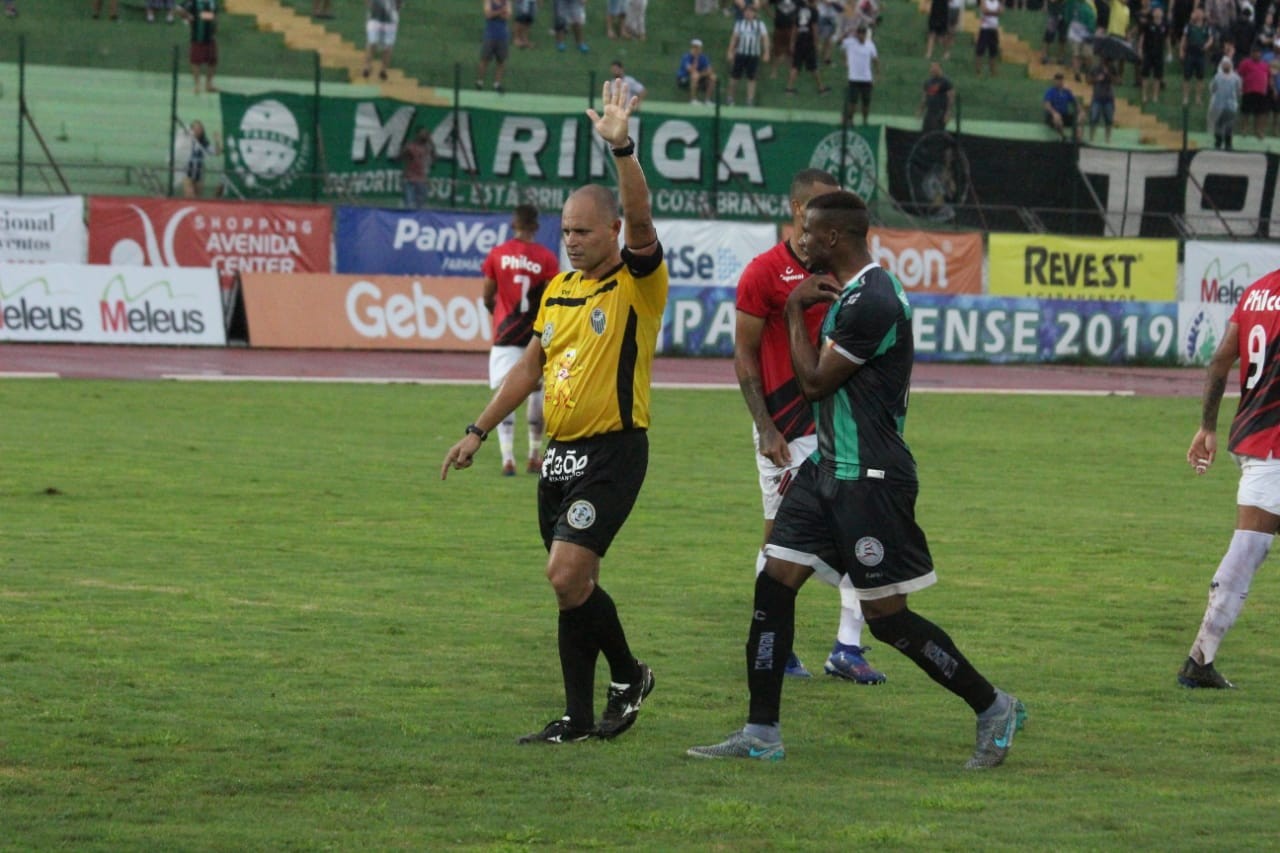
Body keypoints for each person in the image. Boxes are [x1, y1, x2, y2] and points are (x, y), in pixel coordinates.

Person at [687, 190, 1025, 766]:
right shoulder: (853, 293)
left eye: (812, 233)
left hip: (870, 478)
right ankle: (761, 733)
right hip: (827, 469)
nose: (803, 240)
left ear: (836, 238)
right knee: (773, 584)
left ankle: (994, 706)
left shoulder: (873, 299)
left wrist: (793, 310)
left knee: (888, 621)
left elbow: (815, 382)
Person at [440, 81, 667, 745]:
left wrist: (622, 147)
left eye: (583, 231)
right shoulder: (560, 290)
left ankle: (626, 675)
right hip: (562, 455)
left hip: (615, 449)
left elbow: (643, 215)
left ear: (613, 232)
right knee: (574, 586)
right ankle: (580, 714)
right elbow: (530, 366)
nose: (571, 241)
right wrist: (478, 430)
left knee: (564, 572)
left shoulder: (637, 282)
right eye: (565, 230)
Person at [733, 169, 886, 686]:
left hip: (840, 429)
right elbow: (745, 356)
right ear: (800, 211)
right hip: (786, 430)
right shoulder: (763, 273)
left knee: (860, 533)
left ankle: (847, 647)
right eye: (823, 209)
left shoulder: (850, 272)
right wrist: (765, 428)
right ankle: (773, 646)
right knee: (779, 540)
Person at [1179, 264, 1280, 690]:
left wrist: (1208, 426)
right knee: (1247, 550)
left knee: (1250, 548)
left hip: (1254, 438)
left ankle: (1200, 661)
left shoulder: (1257, 291)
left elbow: (1221, 360)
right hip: (1274, 445)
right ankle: (1198, 661)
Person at [479, 204, 561, 477]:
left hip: (505, 333)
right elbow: (552, 297)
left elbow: (487, 295)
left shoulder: (497, 255)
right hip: (534, 333)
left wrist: (496, 312)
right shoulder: (547, 259)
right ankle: (534, 455)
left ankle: (507, 459)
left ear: (513, 224)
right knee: (536, 391)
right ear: (536, 227)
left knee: (506, 391)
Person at [727, 3, 771, 106]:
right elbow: (734, 38)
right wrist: (730, 51)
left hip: (754, 55)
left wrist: (766, 52)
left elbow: (765, 38)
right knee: (734, 76)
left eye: (751, 12)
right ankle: (730, 98)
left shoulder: (760, 24)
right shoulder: (739, 24)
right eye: (746, 11)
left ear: (755, 13)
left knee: (752, 78)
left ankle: (749, 100)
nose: (748, 13)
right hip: (740, 53)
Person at [785, 0, 831, 94]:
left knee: (795, 65)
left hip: (799, 40)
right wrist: (816, 43)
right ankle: (821, 88)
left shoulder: (799, 10)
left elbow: (795, 27)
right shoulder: (814, 11)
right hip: (808, 41)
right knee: (813, 66)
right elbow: (814, 28)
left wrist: (792, 42)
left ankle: (789, 88)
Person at [840, 23, 878, 124]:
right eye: (859, 33)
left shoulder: (870, 45)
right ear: (856, 34)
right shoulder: (850, 42)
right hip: (854, 78)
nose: (861, 35)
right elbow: (840, 45)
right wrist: (845, 61)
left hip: (866, 78)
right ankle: (850, 120)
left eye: (863, 33)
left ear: (866, 34)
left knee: (866, 102)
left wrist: (877, 75)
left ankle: (865, 120)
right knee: (853, 101)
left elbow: (875, 60)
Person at [180, 0, 219, 94]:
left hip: (210, 37)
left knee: (212, 61)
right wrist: (187, 17)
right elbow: (179, 9)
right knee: (196, 61)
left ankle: (208, 84)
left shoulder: (213, 2)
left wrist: (216, 25)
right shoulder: (193, 1)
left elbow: (215, 15)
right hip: (197, 37)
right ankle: (197, 85)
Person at [1237, 44, 1274, 139]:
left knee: (1260, 113)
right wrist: (1239, 88)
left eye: (1259, 53)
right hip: (1248, 91)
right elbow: (1239, 75)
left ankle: (1258, 131)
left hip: (1261, 92)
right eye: (1255, 53)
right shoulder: (1245, 63)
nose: (1257, 55)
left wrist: (1272, 89)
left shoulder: (1265, 65)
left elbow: (1269, 78)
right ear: (1251, 54)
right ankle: (1244, 130)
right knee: (1246, 112)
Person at [477, 0, 512, 93]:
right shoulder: (488, 1)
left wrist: (495, 13)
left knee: (501, 61)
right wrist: (501, 11)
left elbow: (507, 16)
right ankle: (480, 82)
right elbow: (488, 15)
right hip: (490, 35)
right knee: (485, 59)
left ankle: (497, 84)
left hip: (503, 36)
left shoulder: (507, 2)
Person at [1181, 5, 1213, 106]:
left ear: (1203, 14)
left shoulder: (1207, 27)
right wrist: (1181, 51)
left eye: (1200, 12)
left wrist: (1206, 46)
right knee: (1187, 76)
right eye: (1196, 12)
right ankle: (1185, 97)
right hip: (1190, 52)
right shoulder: (1189, 26)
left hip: (1201, 53)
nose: (1198, 14)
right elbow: (1184, 38)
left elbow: (1210, 39)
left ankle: (1198, 98)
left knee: (1200, 77)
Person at [362, 0, 401, 81]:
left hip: (390, 19)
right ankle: (367, 66)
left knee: (388, 45)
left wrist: (394, 11)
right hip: (375, 17)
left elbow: (399, 3)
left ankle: (383, 70)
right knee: (372, 42)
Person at [1208, 56, 1241, 149]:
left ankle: (1228, 143)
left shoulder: (1236, 77)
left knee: (1229, 124)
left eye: (1227, 64)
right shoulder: (1217, 76)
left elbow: (1238, 90)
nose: (1226, 65)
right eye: (1224, 64)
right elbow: (1212, 89)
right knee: (1218, 124)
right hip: (1218, 104)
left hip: (1231, 105)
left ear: (1231, 65)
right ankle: (1218, 142)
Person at [182, 120, 219, 198]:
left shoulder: (204, 143)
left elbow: (216, 152)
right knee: (189, 195)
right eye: (195, 129)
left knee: (197, 197)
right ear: (191, 130)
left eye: (200, 129)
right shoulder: (187, 139)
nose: (197, 131)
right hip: (188, 170)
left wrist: (217, 141)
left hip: (199, 171)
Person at [1139, 5, 1169, 104]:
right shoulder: (1148, 24)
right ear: (1153, 13)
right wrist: (1140, 49)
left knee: (1158, 76)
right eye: (1156, 11)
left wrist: (1169, 52)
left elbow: (1167, 39)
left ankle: (1155, 96)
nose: (1158, 12)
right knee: (1145, 75)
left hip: (1159, 53)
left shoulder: (1165, 25)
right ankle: (1144, 95)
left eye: (1160, 11)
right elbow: (1142, 37)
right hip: (1148, 52)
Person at [399, 128, 435, 209]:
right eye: (422, 134)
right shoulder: (410, 146)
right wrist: (405, 153)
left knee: (421, 205)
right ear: (417, 135)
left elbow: (434, 159)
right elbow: (400, 157)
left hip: (422, 180)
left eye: (426, 134)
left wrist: (432, 144)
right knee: (409, 204)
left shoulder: (428, 148)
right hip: (409, 179)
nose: (424, 136)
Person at [678, 38, 718, 104]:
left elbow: (710, 70)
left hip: (699, 77)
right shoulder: (686, 57)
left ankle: (707, 100)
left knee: (713, 77)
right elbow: (691, 70)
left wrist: (701, 74)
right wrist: (696, 58)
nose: (695, 49)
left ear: (701, 49)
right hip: (684, 79)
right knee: (695, 76)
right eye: (694, 47)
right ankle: (693, 100)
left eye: (697, 48)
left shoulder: (704, 58)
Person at [1044, 71, 1081, 141]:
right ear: (1054, 81)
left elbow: (1075, 102)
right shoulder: (1050, 91)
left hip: (1064, 115)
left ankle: (1077, 141)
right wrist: (1054, 113)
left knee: (1078, 122)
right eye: (1057, 80)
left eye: (1061, 80)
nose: (1059, 81)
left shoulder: (1067, 91)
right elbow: (1047, 105)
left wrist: (1080, 110)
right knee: (1058, 119)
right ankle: (1063, 136)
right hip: (1052, 116)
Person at [919, 61, 955, 133]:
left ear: (939, 68)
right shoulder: (928, 82)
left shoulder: (946, 81)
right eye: (931, 67)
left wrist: (948, 113)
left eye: (935, 67)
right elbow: (924, 97)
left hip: (940, 112)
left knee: (937, 133)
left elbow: (951, 98)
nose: (932, 69)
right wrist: (920, 109)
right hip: (930, 112)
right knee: (925, 132)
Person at [1088, 57, 1116, 142]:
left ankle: (1108, 139)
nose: (1104, 60)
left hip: (1109, 98)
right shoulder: (1095, 68)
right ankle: (1091, 138)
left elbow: (1117, 80)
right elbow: (1088, 80)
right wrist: (1097, 78)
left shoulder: (1112, 68)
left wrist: (1109, 74)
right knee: (1094, 118)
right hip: (1097, 97)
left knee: (1109, 120)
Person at [974, 0, 1002, 78]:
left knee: (993, 51)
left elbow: (1001, 11)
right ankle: (978, 71)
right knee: (980, 50)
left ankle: (993, 71)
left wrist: (990, 12)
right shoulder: (984, 1)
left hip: (994, 29)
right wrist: (995, 12)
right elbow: (984, 10)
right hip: (985, 29)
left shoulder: (997, 2)